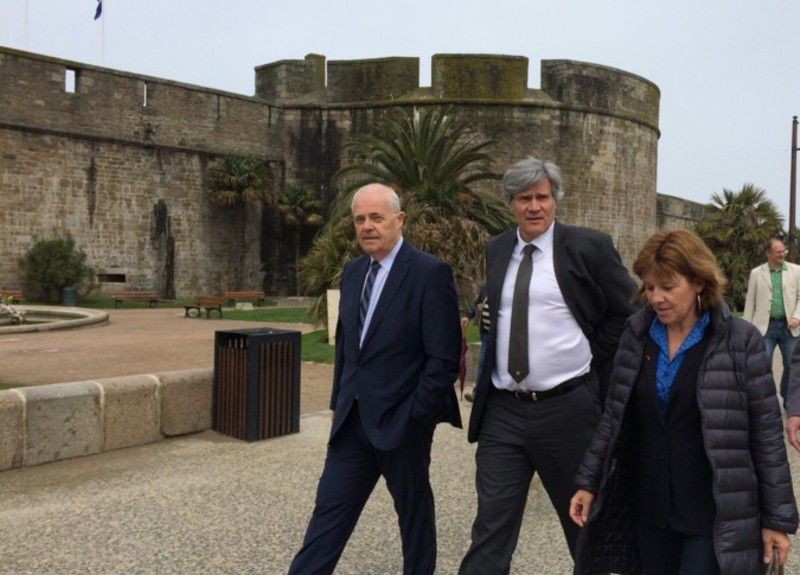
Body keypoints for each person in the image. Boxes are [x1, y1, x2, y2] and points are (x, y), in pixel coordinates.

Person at [569, 228, 798, 575]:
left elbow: (766, 436)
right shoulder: (636, 334)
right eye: (649, 287)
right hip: (650, 506)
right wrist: (588, 482)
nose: (657, 297)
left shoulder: (740, 341)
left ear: (699, 283)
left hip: (712, 512)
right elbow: (613, 417)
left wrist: (777, 519)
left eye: (668, 286)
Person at [459, 156, 639, 574]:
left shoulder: (587, 246)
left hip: (569, 411)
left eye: (542, 197)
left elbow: (629, 311)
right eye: (525, 198)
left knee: (584, 526)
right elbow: (504, 302)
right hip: (503, 410)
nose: (534, 206)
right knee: (490, 529)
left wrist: (595, 353)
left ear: (555, 199)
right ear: (510, 203)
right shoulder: (498, 248)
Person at [288, 183, 462, 575]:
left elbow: (443, 359)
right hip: (352, 426)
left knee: (413, 515)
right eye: (360, 219)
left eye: (376, 218)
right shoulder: (352, 273)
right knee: (328, 515)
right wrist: (340, 405)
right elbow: (348, 350)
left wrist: (415, 418)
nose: (367, 226)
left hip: (403, 425)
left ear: (399, 220)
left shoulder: (429, 274)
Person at [743, 237, 800, 405]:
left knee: (792, 366)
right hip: (764, 328)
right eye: (778, 252)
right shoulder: (756, 273)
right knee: (762, 367)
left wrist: (797, 316)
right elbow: (750, 302)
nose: (782, 254)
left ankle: (787, 395)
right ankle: (764, 401)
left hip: (790, 327)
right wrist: (747, 329)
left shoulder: (796, 271)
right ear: (768, 253)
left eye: (783, 251)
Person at [461, 283, 489, 402]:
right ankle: (477, 394)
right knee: (483, 363)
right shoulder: (485, 287)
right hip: (486, 333)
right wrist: (467, 316)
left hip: (502, 334)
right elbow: (477, 304)